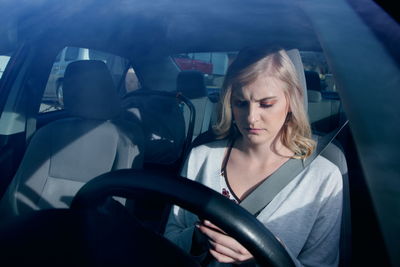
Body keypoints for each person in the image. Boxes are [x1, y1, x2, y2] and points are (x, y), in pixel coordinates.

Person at [164, 47, 343, 266]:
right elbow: (169, 240)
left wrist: (271, 255)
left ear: (291, 101)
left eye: (266, 104)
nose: (251, 118)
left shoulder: (323, 177)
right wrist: (197, 238)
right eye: (241, 103)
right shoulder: (201, 158)